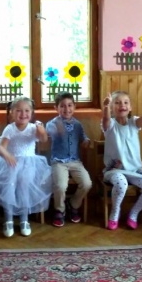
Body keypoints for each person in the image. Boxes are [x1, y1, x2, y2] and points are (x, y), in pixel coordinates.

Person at [0, 97, 52, 238]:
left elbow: (44, 139)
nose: (23, 114)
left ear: (31, 113)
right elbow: (1, 147)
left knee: (24, 185)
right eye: (19, 111)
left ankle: (24, 220)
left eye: (27, 110)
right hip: (11, 163)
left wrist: (42, 130)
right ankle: (8, 219)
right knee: (9, 185)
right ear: (12, 112)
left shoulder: (33, 128)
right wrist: (7, 155)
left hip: (29, 163)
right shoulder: (10, 129)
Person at [101, 91, 142, 230]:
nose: (122, 105)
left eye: (125, 102)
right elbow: (105, 120)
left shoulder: (133, 123)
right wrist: (105, 107)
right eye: (117, 103)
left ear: (130, 107)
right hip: (115, 170)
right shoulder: (111, 125)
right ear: (112, 107)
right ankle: (115, 212)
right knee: (121, 184)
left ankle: (134, 213)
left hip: (135, 170)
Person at [46, 92, 92, 227]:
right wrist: (58, 130)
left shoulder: (77, 124)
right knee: (61, 185)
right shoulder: (53, 123)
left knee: (87, 183)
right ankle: (59, 210)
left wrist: (86, 141)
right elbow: (50, 132)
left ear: (74, 107)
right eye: (62, 106)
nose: (67, 109)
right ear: (56, 108)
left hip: (75, 162)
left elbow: (83, 137)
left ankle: (73, 204)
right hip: (59, 162)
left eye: (70, 105)